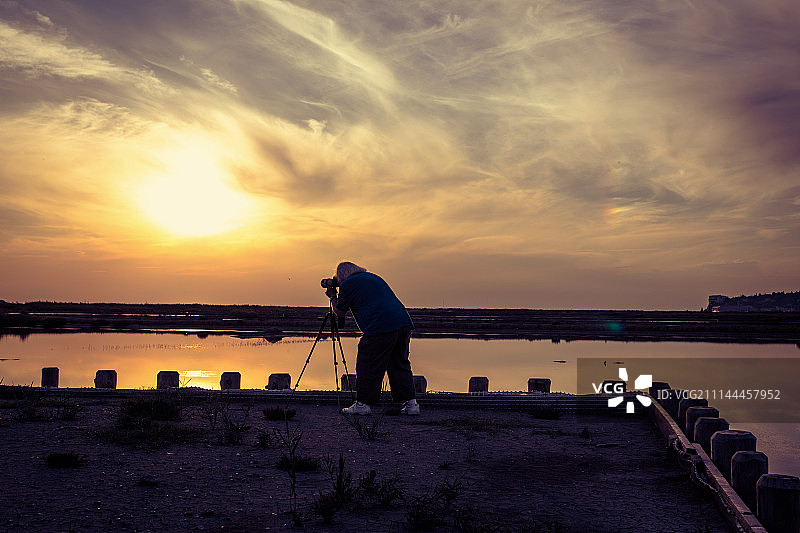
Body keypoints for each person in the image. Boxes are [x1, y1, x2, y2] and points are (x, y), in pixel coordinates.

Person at [326, 261, 420, 416]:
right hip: (403, 322)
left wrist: (332, 296)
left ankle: (362, 404)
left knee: (368, 363)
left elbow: (340, 311)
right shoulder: (373, 277)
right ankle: (412, 405)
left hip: (380, 325)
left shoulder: (348, 284)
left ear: (342, 275)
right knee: (399, 363)